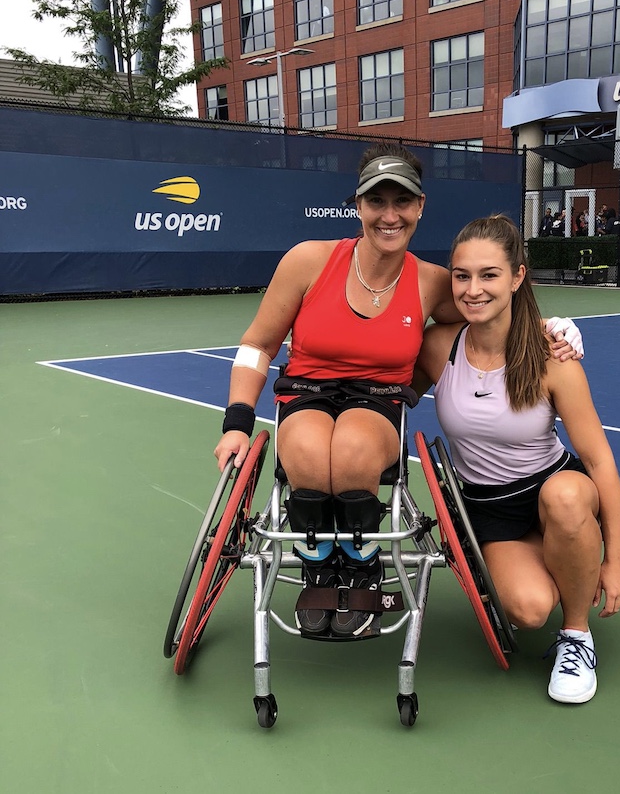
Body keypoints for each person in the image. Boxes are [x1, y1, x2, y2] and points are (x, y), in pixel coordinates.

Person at [213, 142, 584, 640]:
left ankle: (360, 564)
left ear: (420, 206)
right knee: (302, 447)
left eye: (402, 202)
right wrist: (237, 422)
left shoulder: (432, 283)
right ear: (358, 205)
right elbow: (258, 345)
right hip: (305, 391)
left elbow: (492, 308)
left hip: (378, 402)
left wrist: (551, 327)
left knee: (353, 448)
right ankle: (319, 566)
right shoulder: (308, 260)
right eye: (377, 201)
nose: (390, 215)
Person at [414, 215, 620, 704]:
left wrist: (614, 560)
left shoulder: (553, 356)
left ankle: (577, 636)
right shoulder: (437, 348)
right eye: (462, 275)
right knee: (530, 611)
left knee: (569, 495)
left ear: (517, 277)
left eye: (489, 275)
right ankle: (562, 561)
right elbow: (390, 395)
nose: (473, 290)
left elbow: (598, 460)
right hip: (489, 510)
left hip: (553, 488)